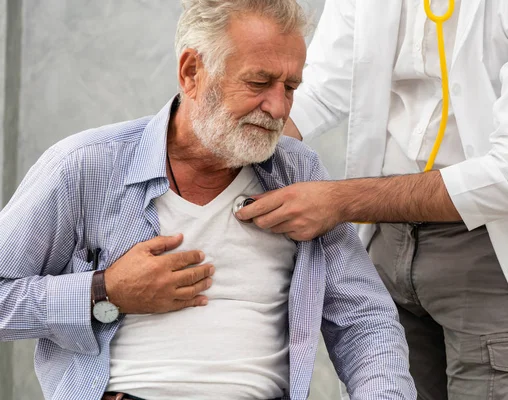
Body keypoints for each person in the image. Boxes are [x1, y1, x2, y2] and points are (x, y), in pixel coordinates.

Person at [0, 1, 417, 399]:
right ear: (191, 71)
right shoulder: (85, 166)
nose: (278, 108)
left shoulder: (300, 172)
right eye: (258, 83)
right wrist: (104, 290)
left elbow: (366, 321)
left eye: (290, 87)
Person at [235, 0, 508, 399]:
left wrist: (339, 201)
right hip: (386, 250)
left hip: (497, 255)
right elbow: (316, 90)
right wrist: (222, 156)